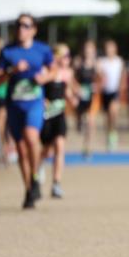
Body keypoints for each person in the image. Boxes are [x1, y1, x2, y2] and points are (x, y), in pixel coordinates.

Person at [0, 14, 55, 209]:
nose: (21, 29)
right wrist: (12, 71)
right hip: (14, 105)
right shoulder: (8, 51)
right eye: (18, 25)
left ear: (34, 29)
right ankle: (29, 189)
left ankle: (36, 176)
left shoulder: (42, 50)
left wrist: (43, 79)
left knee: (31, 137)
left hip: (34, 102)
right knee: (20, 149)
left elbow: (54, 71)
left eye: (25, 25)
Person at [39, 44, 80, 198]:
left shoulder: (68, 74)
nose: (67, 59)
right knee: (47, 150)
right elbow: (38, 87)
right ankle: (39, 166)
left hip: (60, 115)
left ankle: (56, 183)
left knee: (60, 147)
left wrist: (73, 99)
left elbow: (67, 91)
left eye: (68, 56)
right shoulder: (46, 71)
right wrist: (42, 100)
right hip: (46, 116)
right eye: (64, 56)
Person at [97, 39, 125, 151]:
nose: (110, 50)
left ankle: (113, 135)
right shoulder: (102, 62)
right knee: (107, 117)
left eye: (111, 48)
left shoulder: (119, 61)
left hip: (115, 91)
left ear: (115, 49)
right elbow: (98, 75)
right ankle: (109, 134)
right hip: (105, 92)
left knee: (113, 113)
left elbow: (123, 75)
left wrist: (122, 86)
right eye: (108, 48)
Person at [74, 40, 98, 158]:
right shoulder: (78, 63)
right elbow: (72, 79)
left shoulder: (97, 64)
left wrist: (97, 86)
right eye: (86, 49)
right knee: (80, 120)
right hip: (81, 95)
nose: (88, 52)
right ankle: (78, 120)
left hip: (93, 97)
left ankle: (87, 147)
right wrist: (77, 88)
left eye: (91, 49)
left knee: (90, 122)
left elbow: (102, 79)